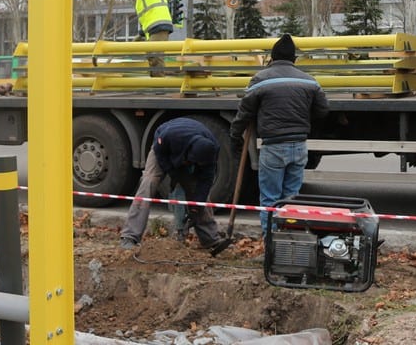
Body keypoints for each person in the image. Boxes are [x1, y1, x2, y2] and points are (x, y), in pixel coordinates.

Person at [229, 34, 330, 235]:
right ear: (294, 59)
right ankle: (289, 239)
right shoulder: (310, 81)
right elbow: (323, 110)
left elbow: (244, 112)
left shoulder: (260, 80)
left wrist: (235, 137)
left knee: (269, 198)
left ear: (272, 58)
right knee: (291, 197)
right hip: (299, 145)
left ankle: (270, 243)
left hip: (274, 146)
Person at [120, 117, 228, 255]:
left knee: (199, 193)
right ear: (189, 153)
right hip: (163, 151)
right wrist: (173, 172)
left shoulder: (211, 150)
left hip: (187, 152)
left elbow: (205, 182)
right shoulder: (171, 135)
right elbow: (160, 153)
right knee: (149, 182)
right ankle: (130, 236)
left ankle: (210, 239)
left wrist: (196, 207)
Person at [112, 0, 173, 76]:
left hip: (159, 24)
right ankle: (157, 81)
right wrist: (140, 35)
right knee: (151, 53)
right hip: (153, 27)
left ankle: (159, 85)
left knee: (155, 55)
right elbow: (147, 16)